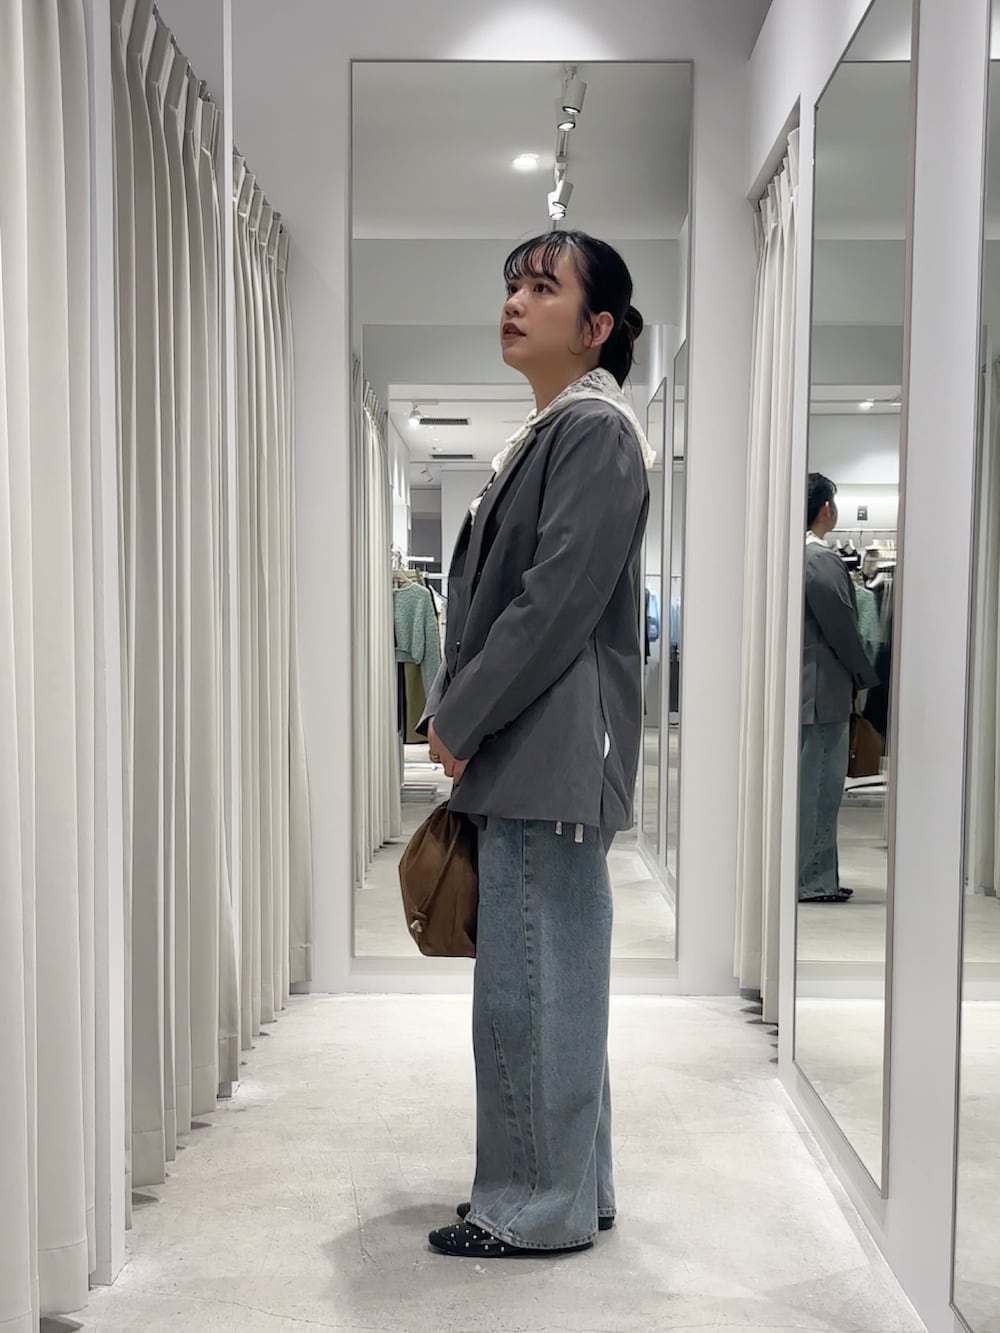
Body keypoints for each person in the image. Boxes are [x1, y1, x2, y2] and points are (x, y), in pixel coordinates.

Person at [418, 231, 653, 1258]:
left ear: (596, 326)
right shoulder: (561, 430)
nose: (516, 300)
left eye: (542, 287)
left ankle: (528, 1206)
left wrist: (459, 714)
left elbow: (553, 601)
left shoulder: (592, 431)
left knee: (528, 985)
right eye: (514, 284)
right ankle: (571, 1188)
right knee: (554, 979)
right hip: (542, 748)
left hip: (546, 749)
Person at [800, 474, 879, 904]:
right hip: (823, 691)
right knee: (820, 788)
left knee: (812, 785)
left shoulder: (793, 554)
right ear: (826, 508)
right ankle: (812, 880)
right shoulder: (820, 560)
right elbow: (844, 631)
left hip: (807, 689)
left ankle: (816, 877)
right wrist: (864, 675)